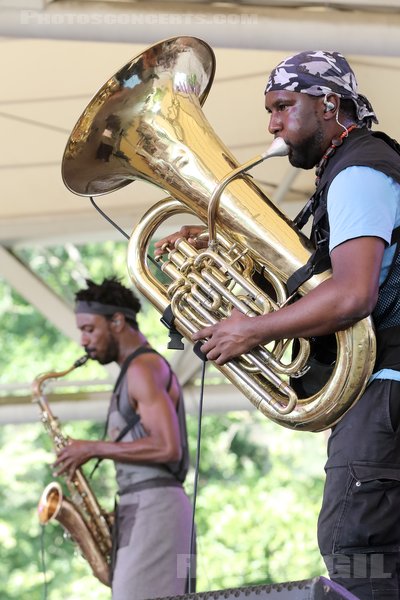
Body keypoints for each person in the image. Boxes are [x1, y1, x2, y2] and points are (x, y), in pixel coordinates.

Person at [155, 50, 400, 600]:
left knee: (361, 561)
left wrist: (253, 329)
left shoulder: (358, 171)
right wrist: (216, 242)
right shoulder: (354, 169)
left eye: (284, 106)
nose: (272, 124)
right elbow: (316, 272)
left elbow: (352, 293)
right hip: (384, 400)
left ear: (329, 103)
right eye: (270, 111)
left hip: (384, 398)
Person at [54, 277, 195, 600]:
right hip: (151, 507)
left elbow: (167, 446)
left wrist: (92, 448)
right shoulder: (136, 369)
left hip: (156, 509)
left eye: (89, 329)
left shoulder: (142, 368)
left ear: (117, 321)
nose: (83, 341)